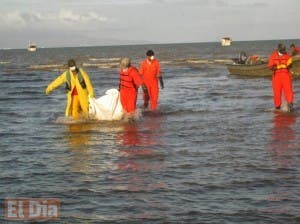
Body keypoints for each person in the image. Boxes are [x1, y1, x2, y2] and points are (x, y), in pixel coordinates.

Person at [268, 44, 294, 112]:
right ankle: (277, 107)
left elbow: (290, 66)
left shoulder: (287, 56)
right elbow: (270, 67)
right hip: (277, 76)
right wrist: (278, 67)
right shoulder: (273, 56)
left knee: (288, 91)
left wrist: (289, 63)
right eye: (282, 50)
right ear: (279, 49)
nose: (284, 51)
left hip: (286, 75)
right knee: (277, 92)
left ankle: (290, 105)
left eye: (284, 50)